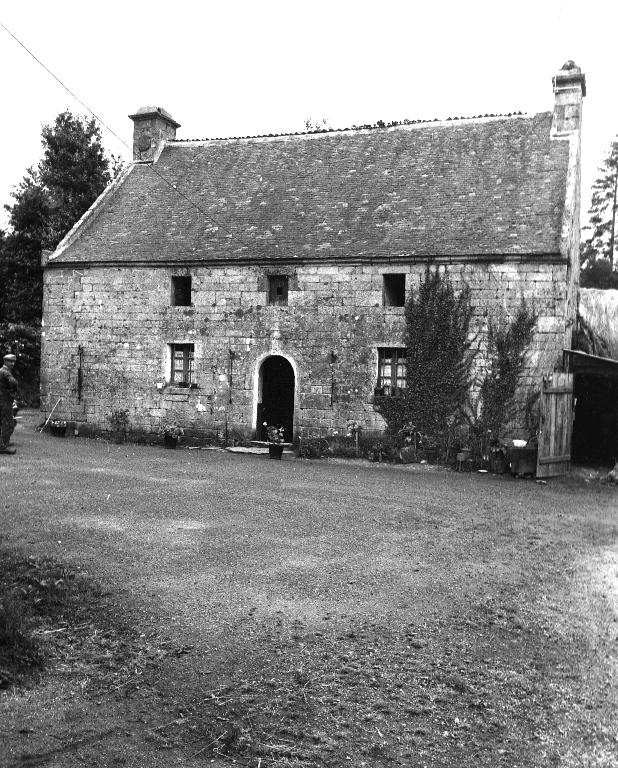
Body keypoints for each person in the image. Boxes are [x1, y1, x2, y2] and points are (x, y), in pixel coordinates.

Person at [0, 353, 18, 455]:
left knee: (2, 423)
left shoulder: (1, 371)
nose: (13, 363)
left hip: (2, 400)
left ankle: (2, 443)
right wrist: (13, 392)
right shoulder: (6, 372)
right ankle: (3, 446)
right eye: (10, 361)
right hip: (5, 401)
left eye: (14, 361)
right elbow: (13, 382)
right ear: (5, 361)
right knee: (9, 424)